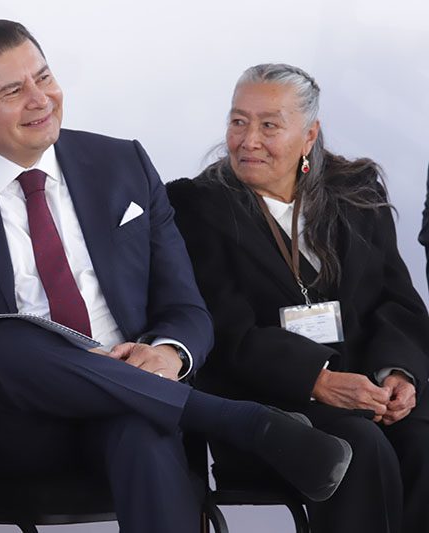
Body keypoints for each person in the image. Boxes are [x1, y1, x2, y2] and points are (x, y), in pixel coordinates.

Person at [0, 20, 353, 533]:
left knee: (141, 429)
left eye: (45, 77)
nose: (40, 100)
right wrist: (103, 372)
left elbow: (184, 306)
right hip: (11, 422)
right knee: (0, 339)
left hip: (134, 404)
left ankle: (189, 407)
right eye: (14, 91)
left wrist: (169, 353)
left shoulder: (122, 162)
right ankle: (234, 419)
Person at [167, 63, 429, 533]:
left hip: (366, 391)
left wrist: (397, 374)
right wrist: (317, 380)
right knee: (357, 447)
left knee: (421, 441)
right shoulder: (196, 205)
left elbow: (396, 299)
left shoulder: (356, 191)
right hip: (267, 408)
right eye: (238, 121)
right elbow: (222, 327)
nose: (248, 140)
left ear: (309, 135)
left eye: (269, 125)